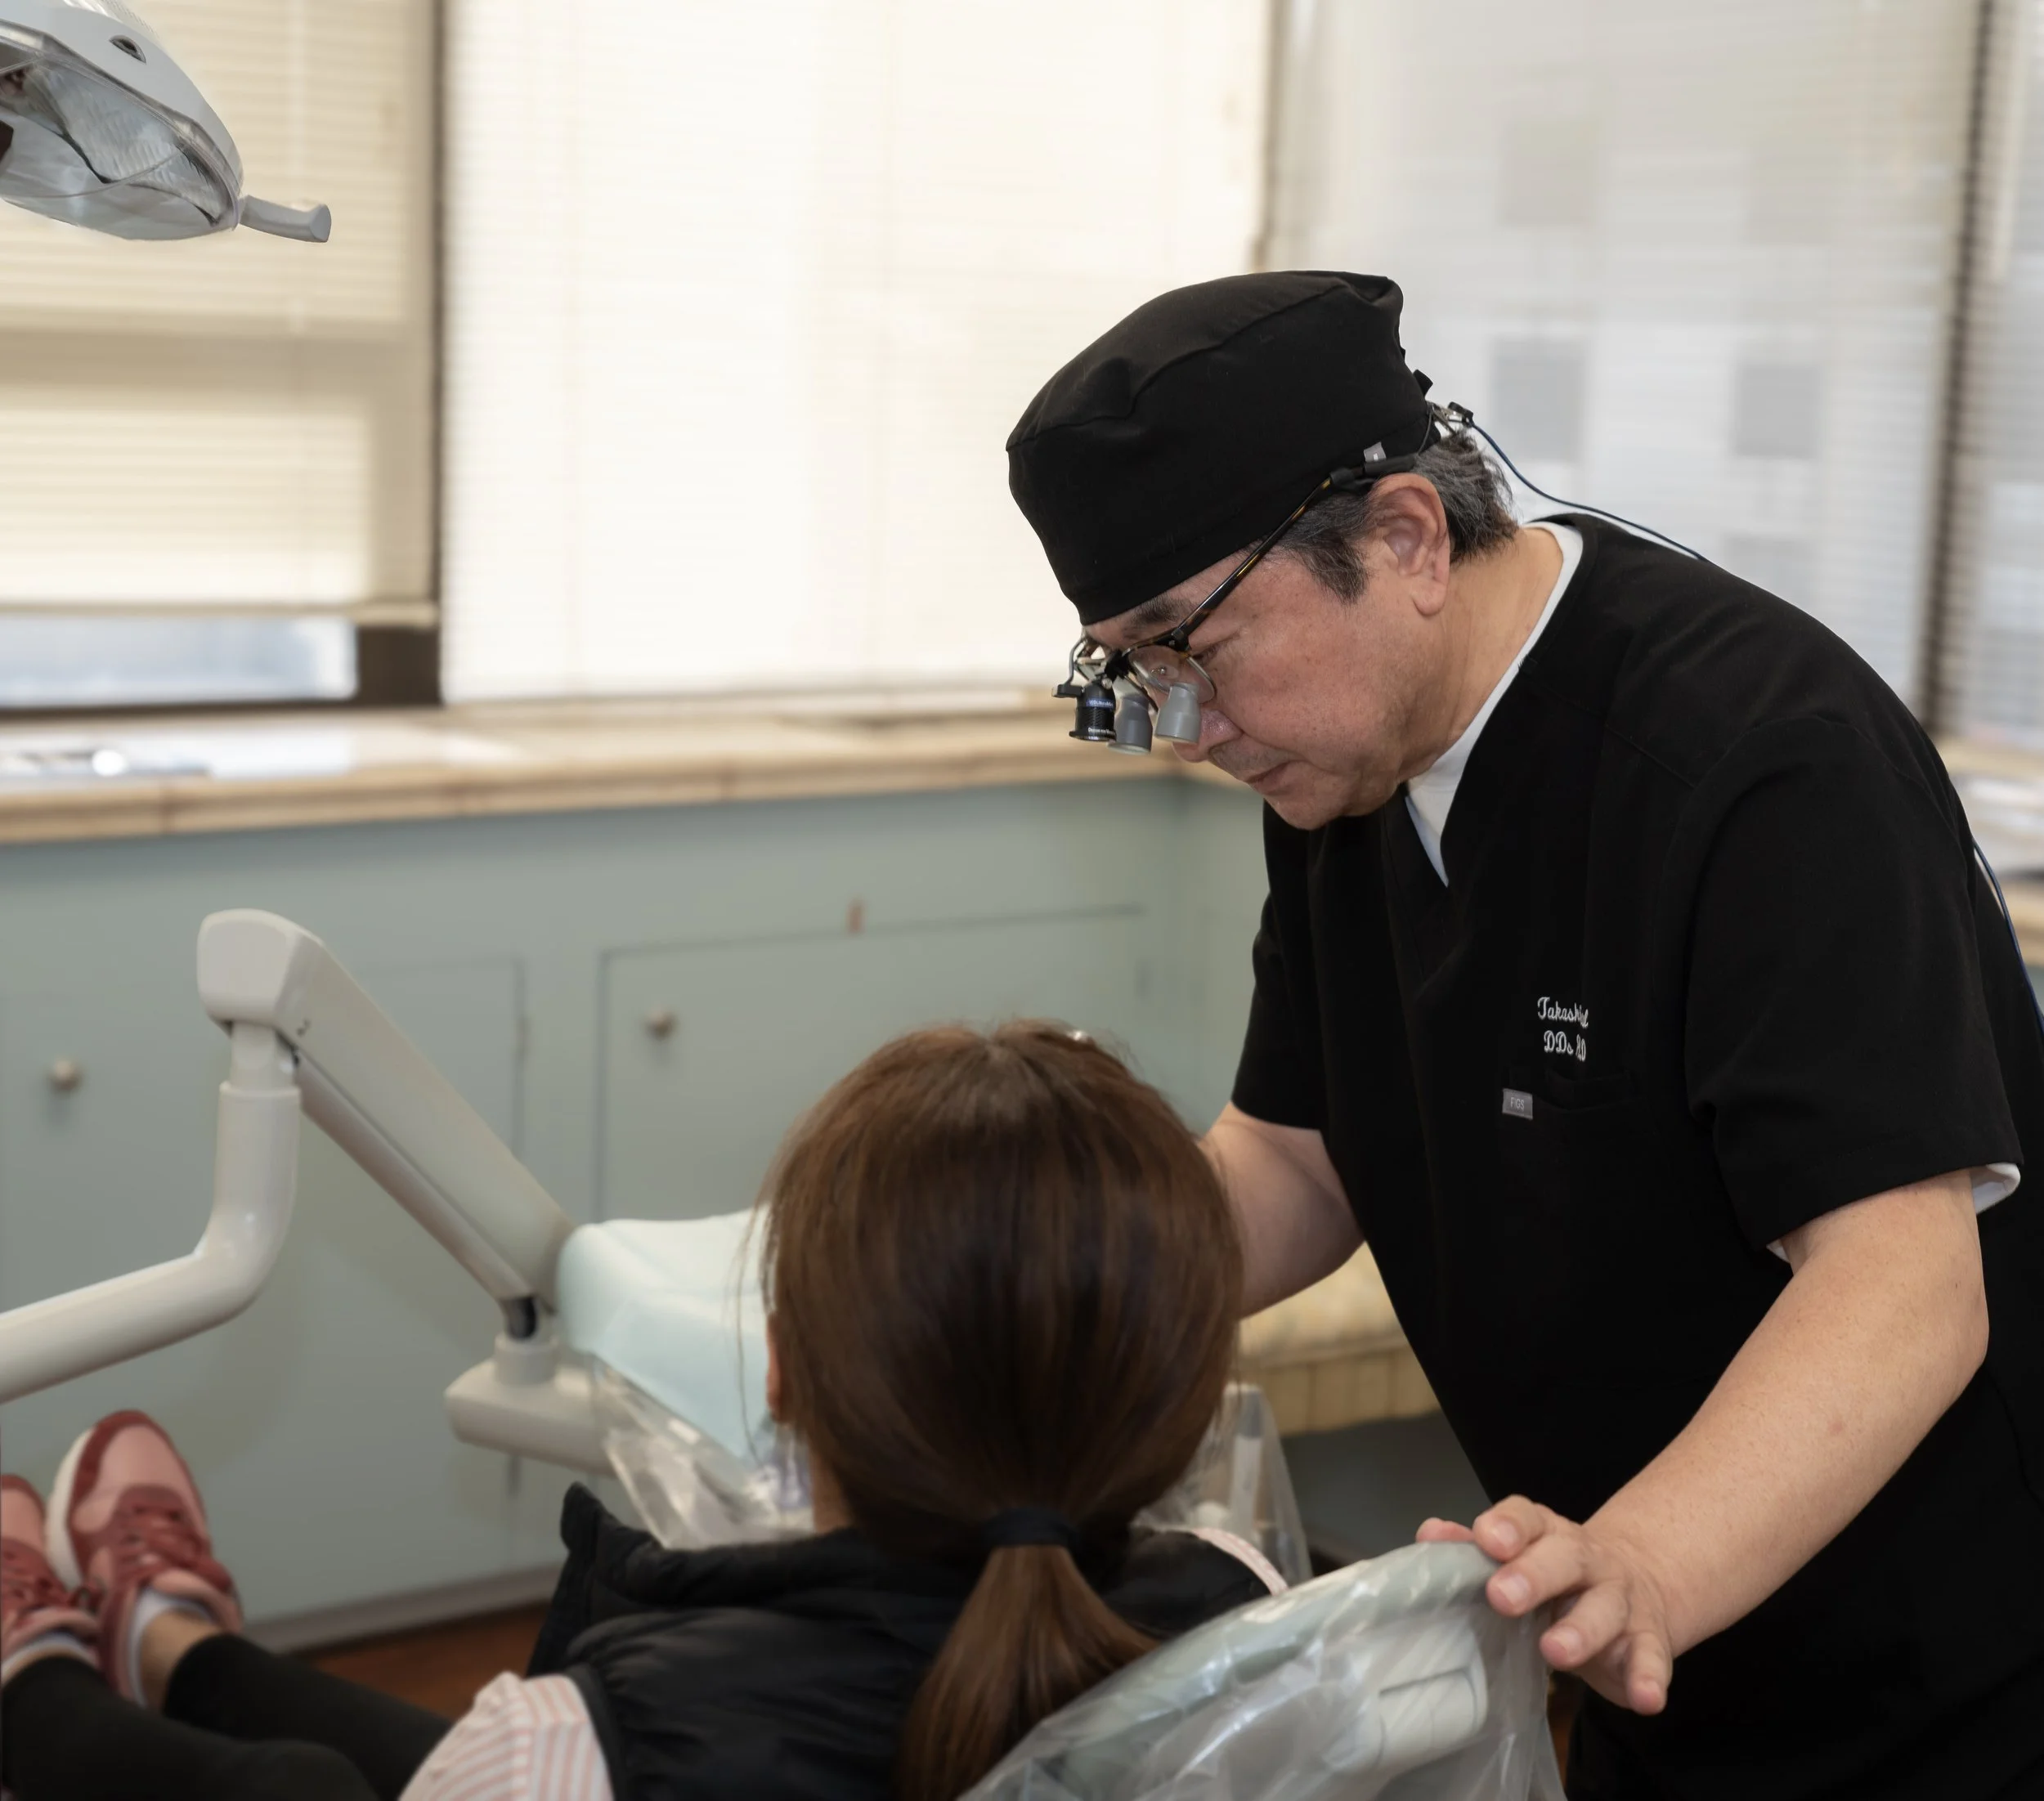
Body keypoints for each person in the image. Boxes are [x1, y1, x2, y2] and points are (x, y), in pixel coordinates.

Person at [1006, 270, 2044, 1799]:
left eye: (1193, 652)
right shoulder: (1344, 764)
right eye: (1134, 673)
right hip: (1633, 1645)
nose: (1187, 726)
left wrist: (1642, 1561)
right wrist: (1028, 1289)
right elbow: (1300, 1160)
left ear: (1408, 538)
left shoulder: (1759, 763)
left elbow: (1902, 1288)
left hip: (1930, 1670)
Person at [0, 1023, 1277, 1801]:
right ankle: (176, 1650)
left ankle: (38, 1682)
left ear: (778, 1371)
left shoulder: (578, 1748)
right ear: (1180, 1402)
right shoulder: (1261, 1625)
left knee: (294, 1790)